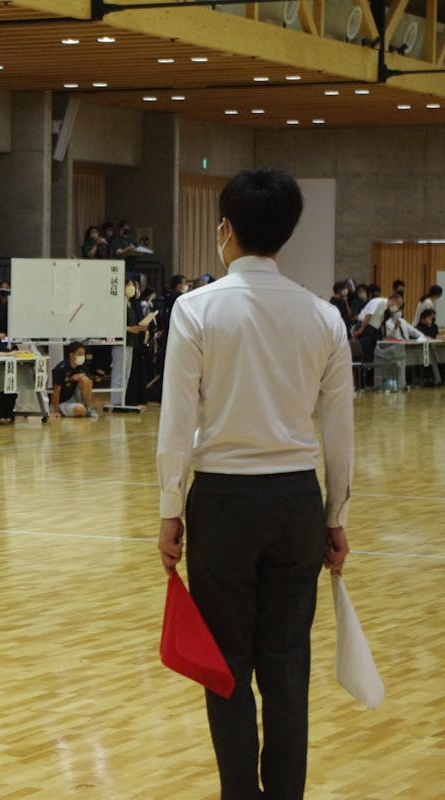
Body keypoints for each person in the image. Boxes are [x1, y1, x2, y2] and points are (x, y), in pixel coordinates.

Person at [156, 167, 353, 800]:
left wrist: (169, 508)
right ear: (286, 233)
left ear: (226, 229)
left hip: (222, 502)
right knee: (287, 665)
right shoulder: (324, 317)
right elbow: (340, 430)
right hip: (296, 502)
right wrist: (335, 516)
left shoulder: (196, 309)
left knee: (226, 665)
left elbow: (176, 421)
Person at [108, 278, 149, 408]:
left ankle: (122, 401)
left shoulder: (130, 304)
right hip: (120, 343)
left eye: (133, 285)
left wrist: (140, 327)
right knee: (118, 374)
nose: (132, 288)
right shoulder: (118, 304)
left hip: (131, 342)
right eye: (129, 285)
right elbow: (113, 324)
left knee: (126, 374)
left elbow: (132, 324)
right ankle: (115, 402)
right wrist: (129, 329)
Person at [50, 342, 97, 419]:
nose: (82, 356)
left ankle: (88, 409)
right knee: (80, 410)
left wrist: (80, 377)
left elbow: (90, 383)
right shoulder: (60, 368)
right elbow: (56, 391)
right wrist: (56, 411)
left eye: (83, 354)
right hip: (63, 401)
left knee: (86, 380)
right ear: (71, 355)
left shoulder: (82, 366)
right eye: (79, 354)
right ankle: (68, 410)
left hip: (76, 397)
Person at [354, 290, 399, 363]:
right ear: (393, 300)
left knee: (372, 353)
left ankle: (370, 369)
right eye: (398, 304)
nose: (397, 307)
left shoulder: (385, 306)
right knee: (366, 352)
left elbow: (380, 320)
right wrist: (360, 330)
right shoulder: (379, 302)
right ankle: (365, 369)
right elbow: (368, 315)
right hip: (365, 327)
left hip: (372, 329)